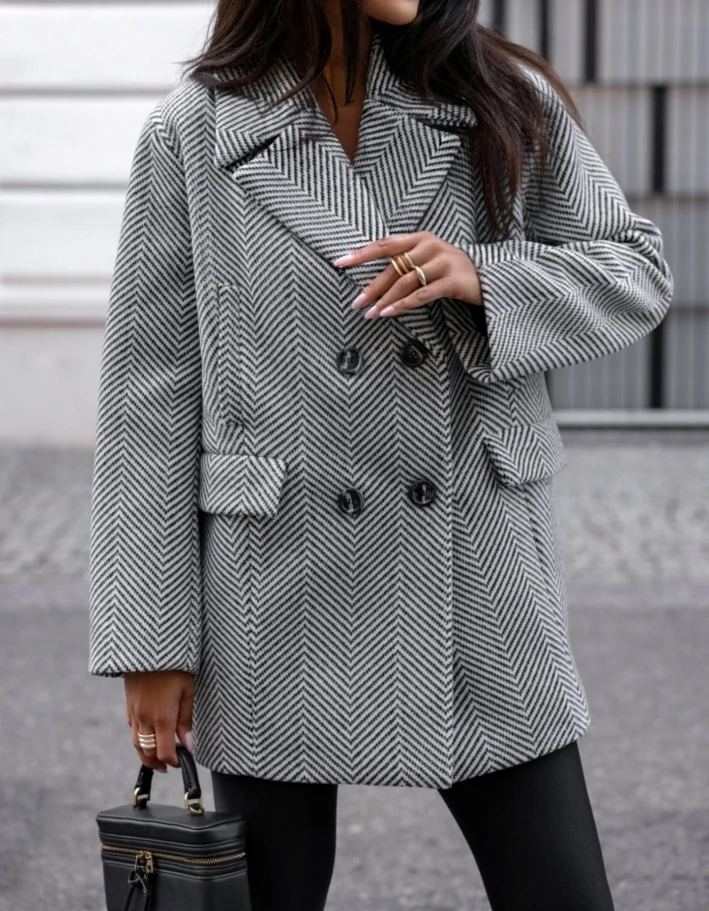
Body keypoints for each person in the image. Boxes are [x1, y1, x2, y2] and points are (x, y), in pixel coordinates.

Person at [87, 1, 674, 909]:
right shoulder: (194, 129)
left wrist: (488, 276)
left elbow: (636, 271)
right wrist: (151, 640)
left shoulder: (493, 96)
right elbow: (150, 394)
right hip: (275, 580)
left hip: (475, 570)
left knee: (561, 891)